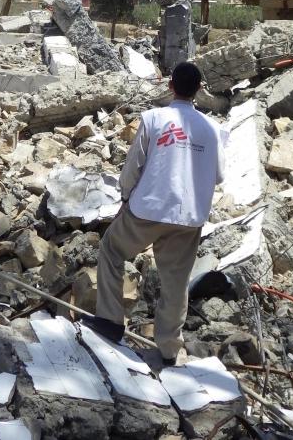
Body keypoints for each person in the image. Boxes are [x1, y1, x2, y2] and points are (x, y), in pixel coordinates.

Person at [82, 61, 228, 365]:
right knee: (176, 280)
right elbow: (218, 176)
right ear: (200, 91)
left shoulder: (153, 119)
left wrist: (124, 197)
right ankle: (169, 348)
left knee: (112, 249)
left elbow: (132, 168)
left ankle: (109, 322)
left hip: (148, 208)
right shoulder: (214, 129)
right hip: (189, 217)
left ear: (170, 85)